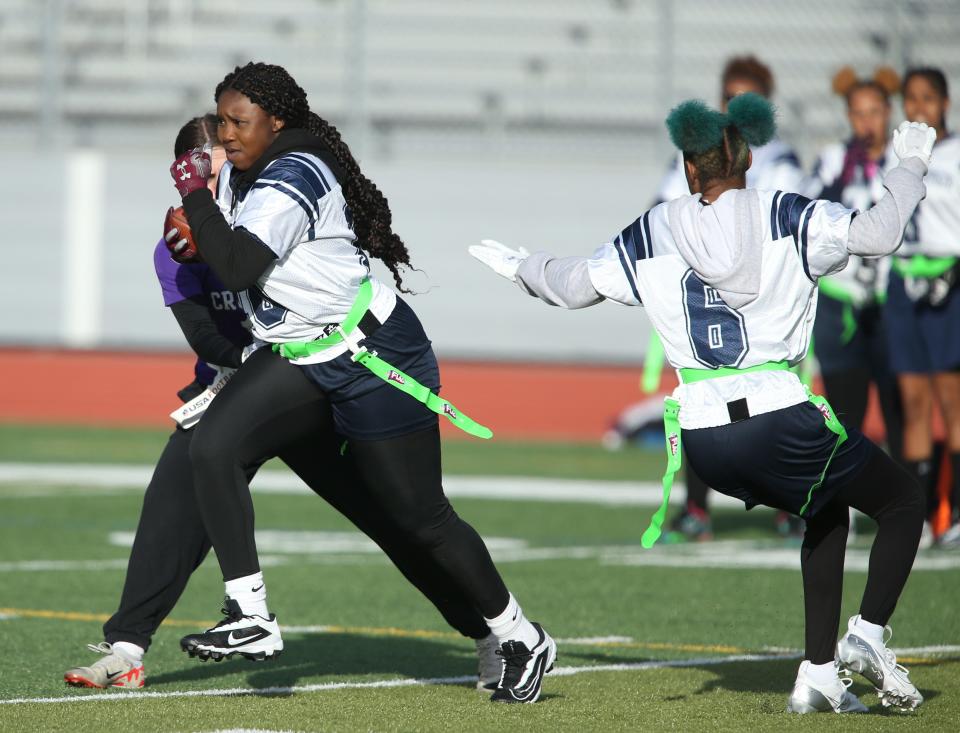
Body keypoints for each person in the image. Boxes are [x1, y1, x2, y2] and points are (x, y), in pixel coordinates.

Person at [470, 93, 932, 712]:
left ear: (690, 167)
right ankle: (866, 638)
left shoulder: (653, 228)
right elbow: (880, 234)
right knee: (903, 500)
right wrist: (908, 166)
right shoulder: (786, 212)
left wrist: (523, 267)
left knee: (825, 508)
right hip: (779, 416)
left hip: (704, 442)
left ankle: (819, 674)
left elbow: (573, 286)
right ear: (747, 157)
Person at [63, 115, 501, 692]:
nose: (234, 165)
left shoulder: (277, 209)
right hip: (240, 386)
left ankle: (490, 633)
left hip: (317, 384)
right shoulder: (176, 249)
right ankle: (128, 646)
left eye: (228, 157)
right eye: (216, 161)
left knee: (397, 517)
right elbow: (207, 340)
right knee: (174, 499)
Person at [166, 63, 555, 704]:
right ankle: (250, 616)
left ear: (277, 120)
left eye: (240, 122)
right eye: (223, 122)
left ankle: (516, 632)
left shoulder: (295, 173)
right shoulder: (241, 168)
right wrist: (198, 215)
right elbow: (221, 239)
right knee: (212, 447)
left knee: (417, 516)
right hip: (303, 352)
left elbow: (237, 263)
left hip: (373, 353)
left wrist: (198, 205)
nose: (229, 135)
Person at [651, 55, 808, 540]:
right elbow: (661, 213)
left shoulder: (780, 162)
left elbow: (789, 227)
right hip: (706, 302)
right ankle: (697, 509)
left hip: (765, 305)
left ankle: (791, 504)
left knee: (776, 405)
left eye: (748, 98)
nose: (735, 106)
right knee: (703, 399)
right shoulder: (696, 152)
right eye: (730, 96)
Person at [805, 67, 904, 463]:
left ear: (889, 111)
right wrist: (840, 181)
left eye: (875, 112)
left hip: (892, 303)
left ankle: (917, 511)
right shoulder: (833, 160)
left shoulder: (905, 163)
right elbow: (807, 213)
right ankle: (842, 512)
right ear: (849, 117)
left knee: (901, 412)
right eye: (859, 113)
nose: (867, 122)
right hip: (839, 306)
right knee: (844, 420)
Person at [883, 67, 960, 548]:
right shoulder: (897, 154)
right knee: (912, 404)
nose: (919, 108)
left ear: (945, 103)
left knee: (951, 401)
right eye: (910, 99)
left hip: (948, 280)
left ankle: (952, 511)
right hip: (905, 280)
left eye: (928, 98)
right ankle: (918, 512)